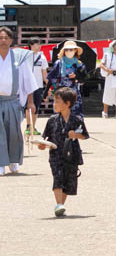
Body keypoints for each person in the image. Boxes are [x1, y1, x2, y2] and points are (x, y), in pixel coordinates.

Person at [36, 87, 88, 216]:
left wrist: (75, 135)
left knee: (69, 181)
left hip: (72, 154)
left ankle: (61, 206)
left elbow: (85, 135)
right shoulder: (52, 120)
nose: (54, 104)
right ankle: (58, 204)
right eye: (54, 101)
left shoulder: (77, 120)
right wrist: (42, 145)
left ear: (67, 103)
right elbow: (45, 138)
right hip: (55, 154)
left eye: (57, 101)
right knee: (58, 177)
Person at [0, 26, 38, 175]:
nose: (3, 41)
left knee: (14, 132)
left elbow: (28, 81)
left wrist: (30, 102)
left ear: (11, 40)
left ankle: (13, 160)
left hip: (12, 101)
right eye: (0, 38)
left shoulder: (19, 58)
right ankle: (1, 163)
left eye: (6, 38)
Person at [46, 41, 87, 118]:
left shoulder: (79, 64)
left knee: (75, 114)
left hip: (74, 93)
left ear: (75, 51)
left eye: (71, 50)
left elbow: (84, 79)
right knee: (60, 114)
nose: (68, 52)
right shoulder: (59, 63)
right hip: (61, 92)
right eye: (66, 50)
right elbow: (52, 77)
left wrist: (76, 76)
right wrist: (46, 91)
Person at [26, 40, 46, 137]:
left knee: (36, 107)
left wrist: (49, 86)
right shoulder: (26, 57)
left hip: (38, 86)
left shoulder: (42, 57)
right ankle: (28, 127)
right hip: (27, 85)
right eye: (37, 44)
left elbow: (44, 73)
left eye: (40, 44)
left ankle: (33, 127)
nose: (39, 46)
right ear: (31, 45)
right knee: (28, 106)